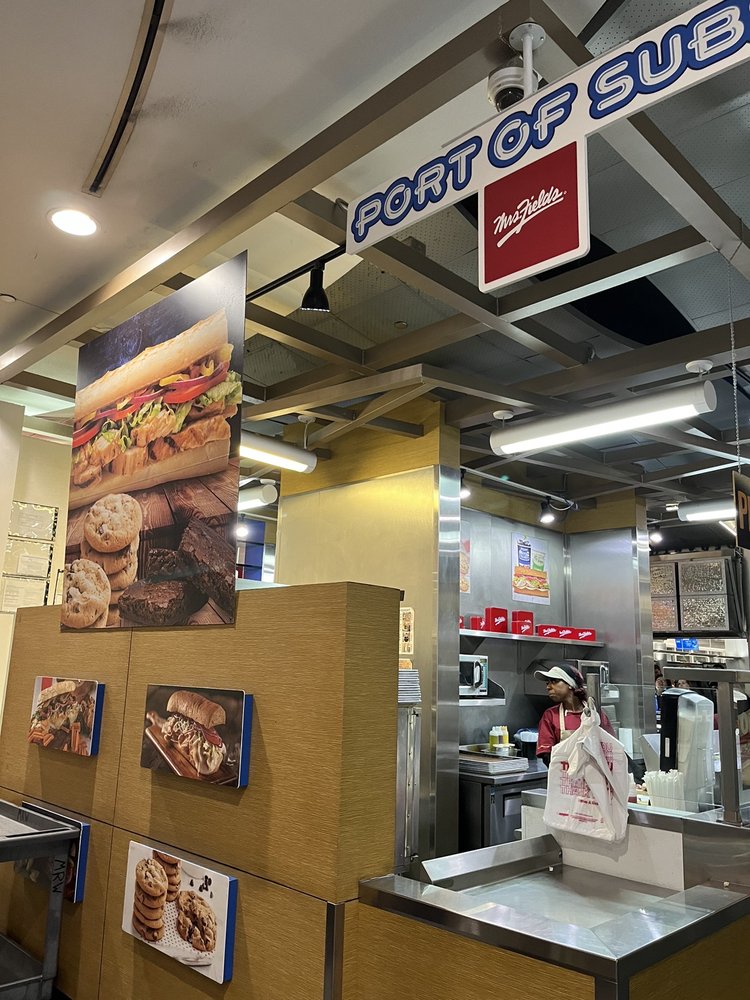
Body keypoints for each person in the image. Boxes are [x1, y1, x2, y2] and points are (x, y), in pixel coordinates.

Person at [535, 663, 615, 765]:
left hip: (594, 772)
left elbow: (611, 747)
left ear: (570, 684)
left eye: (554, 681)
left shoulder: (594, 714)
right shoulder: (550, 716)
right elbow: (546, 754)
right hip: (564, 772)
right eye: (548, 683)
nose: (548, 687)